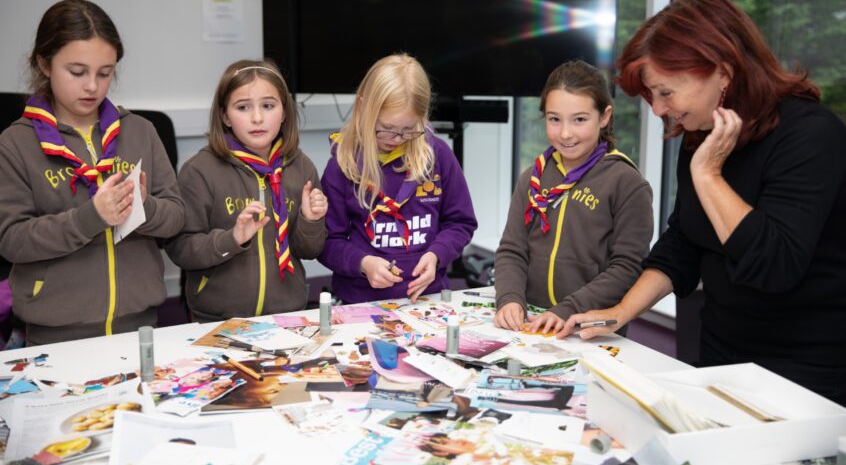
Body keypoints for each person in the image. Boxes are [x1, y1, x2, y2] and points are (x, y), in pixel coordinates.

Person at [563, 0, 846, 406]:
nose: (658, 109)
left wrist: (709, 174)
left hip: (804, 372)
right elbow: (684, 243)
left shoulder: (811, 136)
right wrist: (620, 312)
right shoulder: (701, 136)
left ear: (723, 72)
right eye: (651, 96)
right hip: (721, 354)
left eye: (665, 92)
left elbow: (775, 265)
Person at [0, 0, 184, 345]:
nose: (92, 87)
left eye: (105, 73)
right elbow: (12, 240)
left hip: (139, 326)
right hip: (56, 335)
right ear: (44, 63)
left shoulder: (140, 131)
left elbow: (176, 218)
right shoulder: (15, 143)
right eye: (77, 72)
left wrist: (147, 206)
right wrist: (91, 217)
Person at [494, 61, 653, 333]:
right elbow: (512, 250)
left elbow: (627, 267)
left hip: (589, 324)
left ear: (604, 117)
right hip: (529, 321)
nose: (565, 133)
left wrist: (568, 309)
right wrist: (509, 299)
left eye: (579, 119)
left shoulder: (626, 182)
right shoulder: (532, 177)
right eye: (554, 119)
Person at [166, 60, 327, 321]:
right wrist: (233, 238)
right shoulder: (200, 171)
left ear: (284, 112)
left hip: (288, 314)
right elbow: (181, 249)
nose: (257, 118)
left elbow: (309, 251)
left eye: (268, 105)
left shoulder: (300, 167)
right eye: (243, 107)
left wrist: (311, 221)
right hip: (218, 319)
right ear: (225, 116)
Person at [318, 53, 477, 303]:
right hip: (360, 301)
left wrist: (437, 255)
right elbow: (327, 242)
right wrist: (364, 263)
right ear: (363, 108)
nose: (397, 139)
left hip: (427, 299)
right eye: (387, 129)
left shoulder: (438, 155)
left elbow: (461, 223)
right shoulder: (343, 165)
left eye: (409, 130)